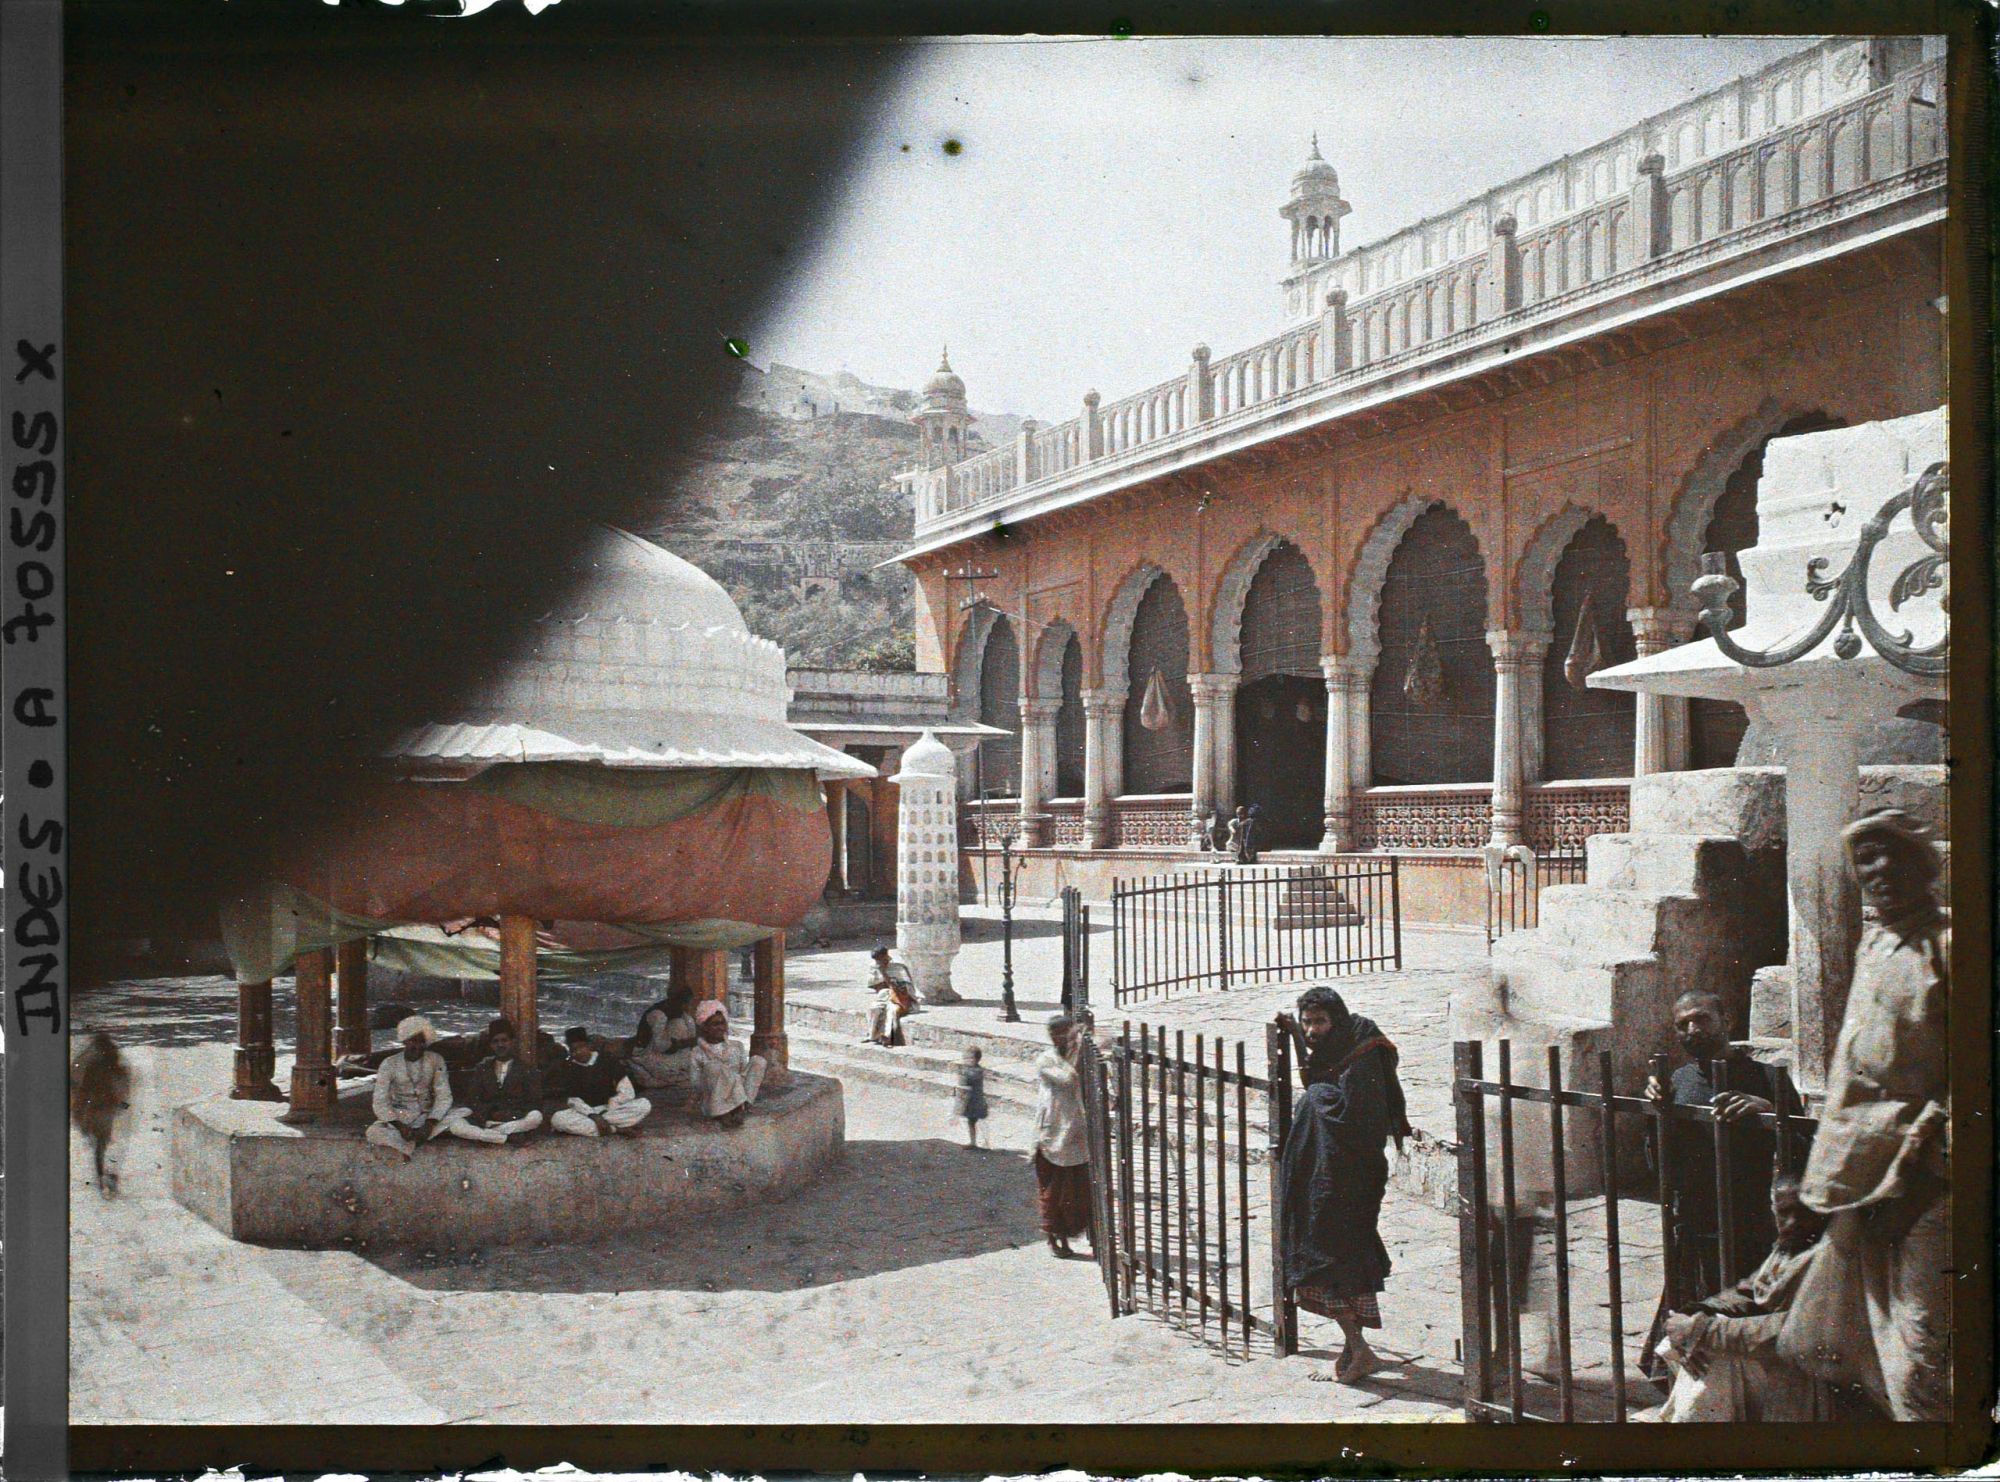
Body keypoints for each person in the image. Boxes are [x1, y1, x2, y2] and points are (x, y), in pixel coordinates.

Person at [1776, 810, 1951, 1422]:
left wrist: (1922, 1179)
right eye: (1864, 858)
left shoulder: (1952, 947)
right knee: (1880, 1346)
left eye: (1890, 854)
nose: (1877, 870)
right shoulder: (1875, 943)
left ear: (1922, 863)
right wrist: (1825, 1180)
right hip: (1865, 1184)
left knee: (1925, 1349)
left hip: (1928, 1186)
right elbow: (1856, 1082)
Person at [1641, 988, 1802, 1372]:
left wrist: (1769, 1111)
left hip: (1750, 1218)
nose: (1693, 1030)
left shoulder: (1766, 1077)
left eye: (1702, 1019)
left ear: (1726, 1021)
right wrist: (1654, 1114)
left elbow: (1805, 1147)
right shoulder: (1676, 1080)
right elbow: (1659, 1162)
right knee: (1691, 1320)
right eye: (1683, 1025)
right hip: (1696, 1221)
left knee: (1747, 1324)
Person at [1275, 985, 1411, 1383]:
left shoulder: (1364, 1053)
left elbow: (1356, 1117)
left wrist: (1316, 1099)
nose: (1313, 1030)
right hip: (1324, 1178)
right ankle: (1355, 1349)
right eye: (1307, 1022)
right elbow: (1320, 1072)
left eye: (1319, 1022)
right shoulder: (1338, 1045)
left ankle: (1360, 1349)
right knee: (1326, 1258)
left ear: (1338, 1019)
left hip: (1348, 1180)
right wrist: (1297, 1037)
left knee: (1336, 1259)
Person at [1644, 1175, 1847, 1422]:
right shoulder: (1788, 1249)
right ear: (1773, 1211)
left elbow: (1792, 1329)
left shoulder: (1833, 1256)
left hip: (1825, 1376)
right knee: (1697, 1345)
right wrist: (1695, 1313)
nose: (1793, 1222)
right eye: (1784, 1213)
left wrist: (1703, 1330)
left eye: (1804, 1213)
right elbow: (1748, 1293)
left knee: (1716, 1358)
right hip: (1788, 1365)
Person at [367, 1015, 472, 1159]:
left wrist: (430, 1124)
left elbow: (444, 1096)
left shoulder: (436, 1060)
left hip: (427, 1117)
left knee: (461, 1114)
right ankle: (411, 1144)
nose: (416, 1046)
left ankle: (413, 1140)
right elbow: (379, 1101)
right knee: (373, 1132)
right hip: (400, 1119)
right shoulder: (389, 1064)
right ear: (404, 1041)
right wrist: (399, 1125)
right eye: (412, 1041)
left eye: (421, 1042)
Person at [1032, 1013, 1092, 1257]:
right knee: (1053, 1192)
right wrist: (1077, 1048)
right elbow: (1068, 1078)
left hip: (1074, 1134)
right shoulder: (1045, 1060)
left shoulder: (1073, 1056)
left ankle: (1068, 1238)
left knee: (1074, 1192)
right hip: (1052, 1135)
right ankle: (1053, 1240)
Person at [448, 1017, 545, 1145]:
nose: (500, 1045)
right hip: (488, 1119)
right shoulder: (482, 1068)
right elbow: (472, 1099)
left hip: (515, 1118)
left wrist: (511, 1115)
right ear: (491, 1045)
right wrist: (491, 1113)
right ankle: (505, 1137)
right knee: (455, 1125)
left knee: (536, 1117)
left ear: (512, 1042)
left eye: (504, 1040)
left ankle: (491, 1135)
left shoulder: (525, 1069)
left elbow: (534, 1100)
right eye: (495, 1041)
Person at [546, 1024, 652, 1137]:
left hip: (611, 1109)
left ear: (589, 1046)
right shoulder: (568, 1068)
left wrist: (608, 1109)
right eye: (573, 1050)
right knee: (558, 1119)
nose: (578, 1052)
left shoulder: (607, 1060)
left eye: (581, 1047)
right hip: (585, 1112)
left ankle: (603, 1126)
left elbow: (626, 1091)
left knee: (644, 1104)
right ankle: (616, 1129)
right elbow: (573, 1100)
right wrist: (593, 1115)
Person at [70, 1031, 133, 1197]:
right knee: (103, 1144)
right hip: (107, 1110)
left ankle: (101, 1178)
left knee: (99, 1145)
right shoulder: (116, 1066)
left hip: (96, 1110)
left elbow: (83, 1089)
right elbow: (122, 1090)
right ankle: (107, 1177)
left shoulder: (93, 1066)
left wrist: (79, 1110)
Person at [688, 1000, 767, 1126]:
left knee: (758, 1061)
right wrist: (719, 1076)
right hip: (714, 1098)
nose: (720, 1027)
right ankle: (724, 1112)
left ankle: (742, 1107)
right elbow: (696, 1084)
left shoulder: (737, 1046)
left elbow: (743, 1074)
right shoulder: (697, 1052)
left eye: (722, 1023)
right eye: (715, 1024)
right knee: (714, 1067)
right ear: (705, 1027)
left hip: (737, 1091)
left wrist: (731, 1079)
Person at [626, 984, 698, 1092]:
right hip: (648, 1054)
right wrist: (684, 1043)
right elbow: (661, 1046)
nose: (687, 1007)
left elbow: (692, 1038)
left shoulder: (683, 1016)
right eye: (684, 1003)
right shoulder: (658, 1015)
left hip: (672, 1055)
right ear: (675, 1001)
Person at [865, 945, 917, 1046]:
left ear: (886, 956)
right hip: (884, 997)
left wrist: (885, 974)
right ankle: (872, 1036)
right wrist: (881, 975)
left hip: (900, 999)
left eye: (881, 959)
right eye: (877, 961)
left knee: (892, 1010)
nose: (879, 962)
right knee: (873, 1008)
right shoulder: (874, 968)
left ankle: (887, 1037)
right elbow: (876, 987)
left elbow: (905, 988)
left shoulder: (899, 968)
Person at [956, 1046, 989, 1149]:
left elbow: (964, 1088)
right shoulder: (979, 1070)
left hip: (972, 1101)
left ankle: (974, 1142)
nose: (966, 1061)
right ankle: (981, 1141)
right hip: (979, 1100)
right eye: (965, 1058)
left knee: (972, 1122)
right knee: (976, 1121)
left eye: (969, 1058)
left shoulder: (969, 1072)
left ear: (976, 1059)